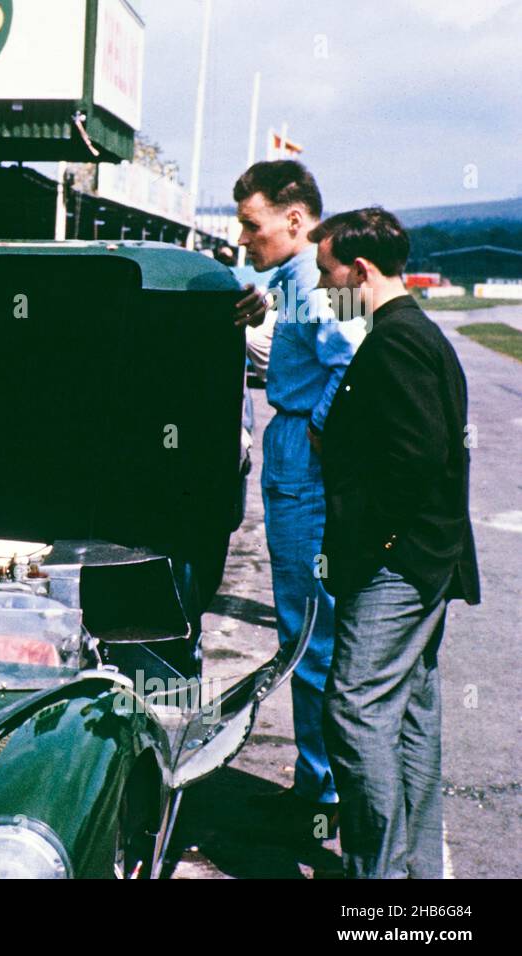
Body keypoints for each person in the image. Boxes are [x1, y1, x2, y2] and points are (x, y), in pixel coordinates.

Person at [312, 208, 479, 878]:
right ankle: (416, 879)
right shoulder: (410, 333)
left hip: (397, 565)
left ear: (358, 270)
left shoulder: (396, 341)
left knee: (354, 709)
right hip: (420, 562)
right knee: (409, 712)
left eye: (327, 275)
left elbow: (418, 455)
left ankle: (378, 880)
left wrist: (372, 539)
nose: (324, 290)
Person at [232, 160, 367, 835]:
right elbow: (298, 361)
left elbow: (350, 362)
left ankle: (324, 793)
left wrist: (314, 432)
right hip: (297, 443)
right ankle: (321, 779)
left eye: (252, 226)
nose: (244, 239)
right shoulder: (295, 280)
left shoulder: (314, 283)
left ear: (295, 217)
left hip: (303, 459)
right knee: (308, 629)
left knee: (310, 630)